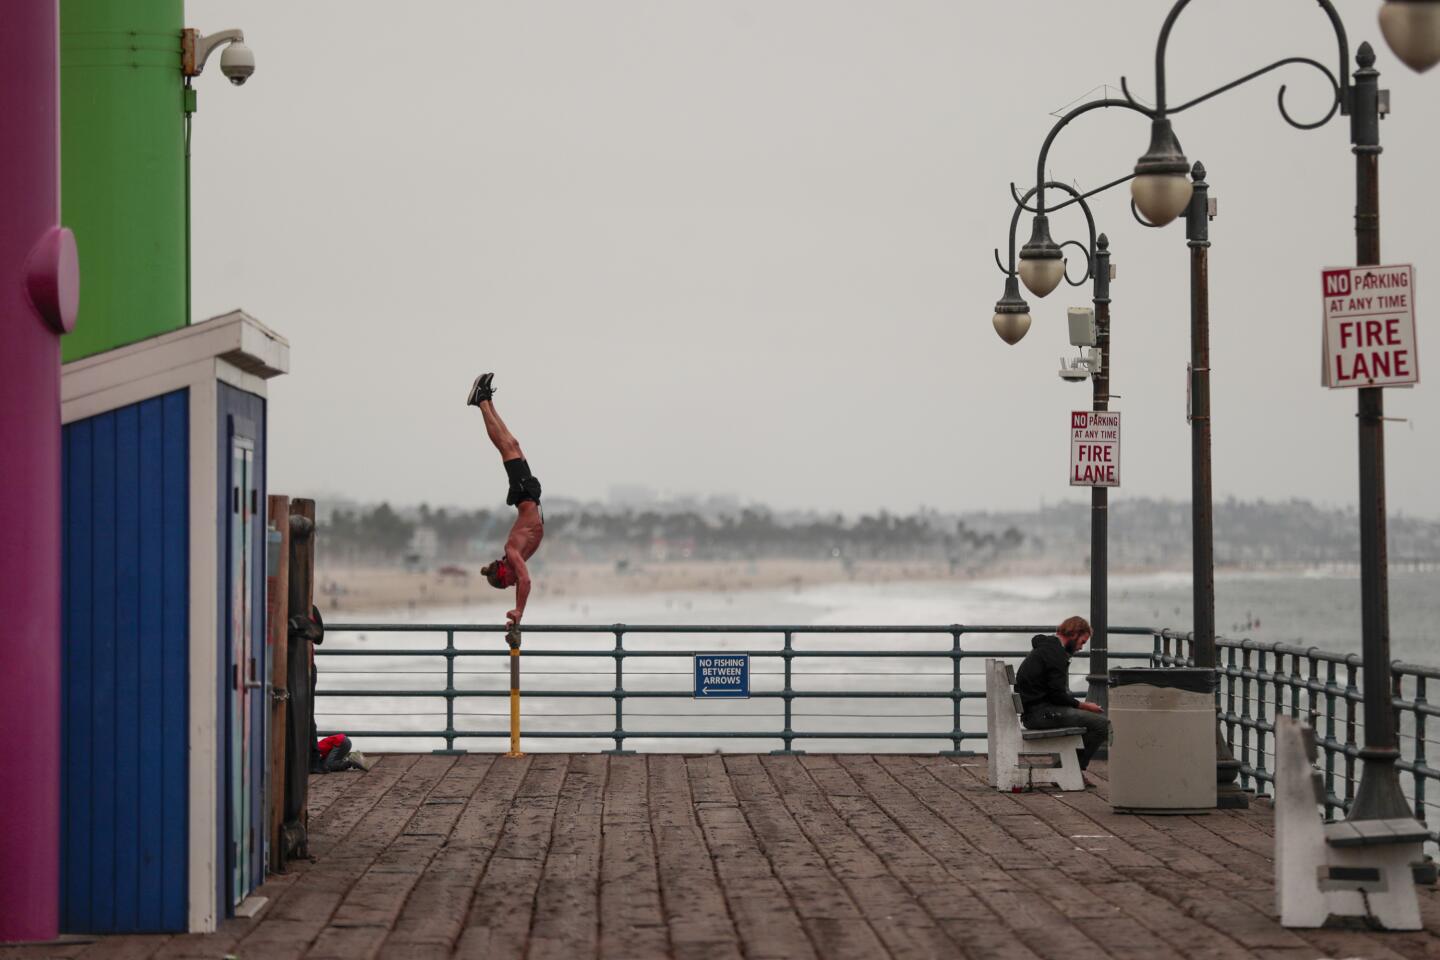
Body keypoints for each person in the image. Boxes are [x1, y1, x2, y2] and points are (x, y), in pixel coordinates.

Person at [467, 372, 544, 629]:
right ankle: (484, 400)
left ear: (503, 573)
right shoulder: (513, 558)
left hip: (525, 495)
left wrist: (519, 611)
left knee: (507, 446)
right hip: (528, 496)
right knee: (511, 443)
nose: (513, 583)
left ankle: (482, 402)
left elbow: (525, 581)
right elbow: (522, 581)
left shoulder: (512, 553)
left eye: (507, 582)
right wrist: (516, 613)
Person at [1014, 615, 1109, 781]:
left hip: (1034, 711)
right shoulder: (1055, 654)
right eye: (1082, 641)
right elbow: (1057, 695)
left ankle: (1072, 769)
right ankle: (1073, 772)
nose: (1081, 647)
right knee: (1102, 725)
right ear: (1074, 634)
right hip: (1040, 714)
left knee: (1090, 721)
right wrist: (1085, 706)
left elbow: (1055, 694)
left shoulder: (1048, 648)